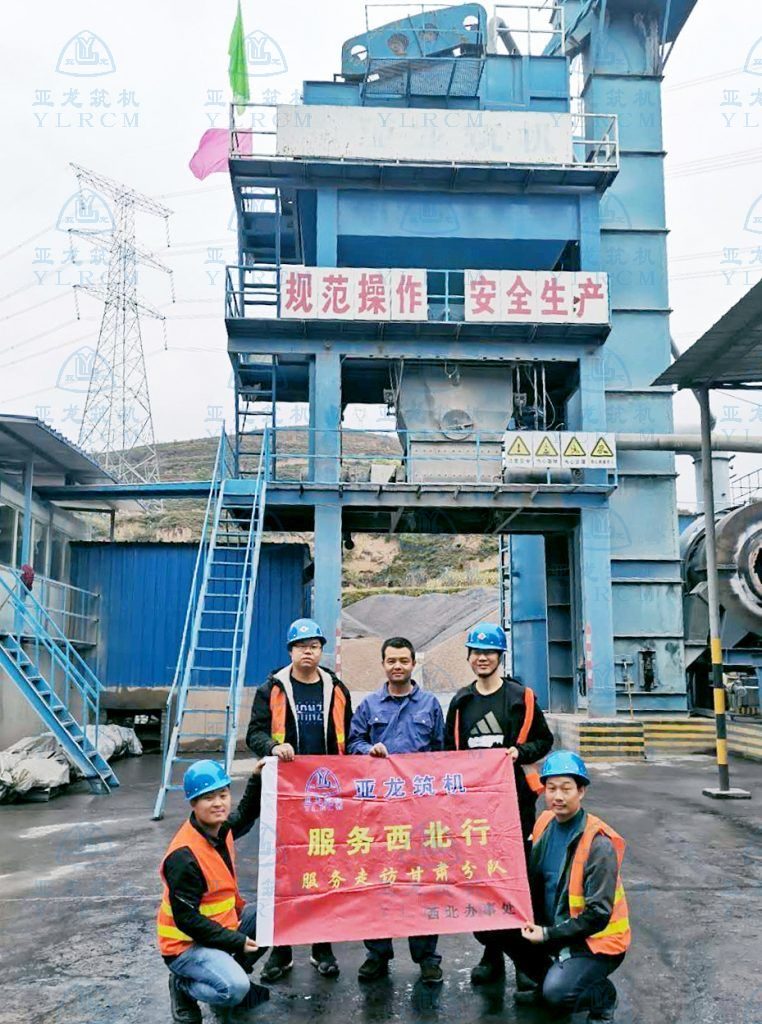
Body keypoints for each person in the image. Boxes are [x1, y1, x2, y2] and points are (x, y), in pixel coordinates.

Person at [444, 621, 554, 986]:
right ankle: (491, 954)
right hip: (474, 811)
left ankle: (524, 959)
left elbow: (544, 740)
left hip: (515, 807)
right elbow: (447, 752)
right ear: (469, 657)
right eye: (477, 652)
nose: (482, 658)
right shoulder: (461, 702)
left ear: (500, 657)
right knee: (483, 882)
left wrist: (520, 752)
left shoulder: (521, 697)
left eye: (489, 652)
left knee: (517, 881)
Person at [485, 751, 631, 1022]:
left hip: (595, 942)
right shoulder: (545, 823)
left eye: (566, 788)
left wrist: (547, 934)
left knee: (558, 994)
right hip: (557, 928)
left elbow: (598, 915)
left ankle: (601, 995)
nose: (558, 796)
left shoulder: (598, 844)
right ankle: (545, 984)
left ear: (581, 791)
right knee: (493, 924)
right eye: (551, 789)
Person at [246, 616, 353, 981]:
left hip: (325, 796)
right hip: (286, 797)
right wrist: (273, 747)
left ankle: (322, 946)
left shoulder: (336, 689)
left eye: (314, 646)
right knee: (285, 873)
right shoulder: (272, 689)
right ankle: (282, 949)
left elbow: (349, 735)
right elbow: (254, 733)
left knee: (324, 870)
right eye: (302, 646)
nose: (308, 652)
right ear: (290, 650)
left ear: (322, 650)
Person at [348, 636, 446, 986]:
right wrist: (368, 751)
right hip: (379, 813)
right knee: (378, 883)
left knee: (421, 884)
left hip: (419, 812)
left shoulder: (430, 705)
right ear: (383, 664)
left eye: (404, 660)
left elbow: (442, 753)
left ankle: (427, 958)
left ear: (413, 664)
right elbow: (352, 743)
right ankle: (377, 953)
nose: (398, 666)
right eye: (391, 660)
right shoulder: (369, 705)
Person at [157, 759, 269, 1024]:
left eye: (223, 795)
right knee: (235, 988)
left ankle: (225, 970)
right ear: (194, 803)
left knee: (273, 916)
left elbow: (246, 814)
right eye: (208, 798)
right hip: (185, 946)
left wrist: (257, 777)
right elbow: (187, 920)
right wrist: (236, 941)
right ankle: (183, 985)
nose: (218, 803)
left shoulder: (220, 828)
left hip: (218, 930)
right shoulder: (184, 857)